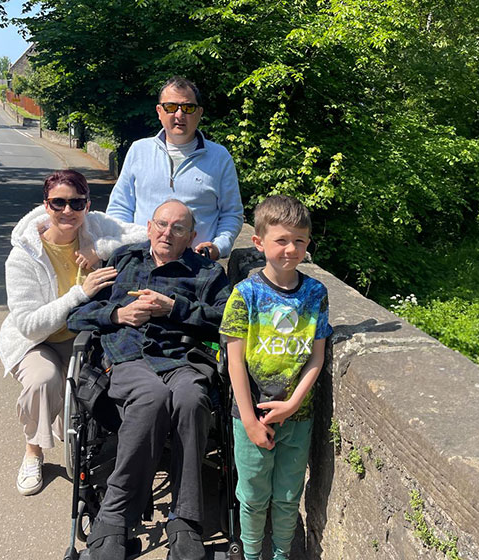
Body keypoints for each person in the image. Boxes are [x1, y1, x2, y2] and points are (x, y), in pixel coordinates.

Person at [67, 199, 231, 560]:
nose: (166, 233)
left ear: (192, 235)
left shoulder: (207, 273)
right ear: (149, 225)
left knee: (191, 400)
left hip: (182, 358)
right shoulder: (126, 260)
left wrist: (176, 308)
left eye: (177, 228)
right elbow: (78, 316)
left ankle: (186, 522)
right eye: (160, 224)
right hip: (129, 357)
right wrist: (119, 313)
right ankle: (113, 520)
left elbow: (229, 320)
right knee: (151, 396)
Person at [0, 169, 147, 496]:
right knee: (43, 380)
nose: (68, 211)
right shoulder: (23, 256)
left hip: (86, 336)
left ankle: (99, 442)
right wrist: (79, 293)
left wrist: (101, 247)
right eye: (59, 203)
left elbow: (146, 234)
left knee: (105, 381)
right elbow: (29, 324)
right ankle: (33, 453)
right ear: (46, 205)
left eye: (77, 203)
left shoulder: (93, 226)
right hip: (40, 341)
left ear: (88, 205)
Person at [219, 195, 332, 560]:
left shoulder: (316, 293)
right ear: (259, 242)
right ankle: (251, 555)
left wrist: (295, 402)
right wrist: (250, 419)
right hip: (251, 416)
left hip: (298, 415)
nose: (291, 249)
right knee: (252, 497)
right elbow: (235, 361)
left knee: (287, 497)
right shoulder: (245, 294)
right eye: (281, 240)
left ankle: (282, 555)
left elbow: (317, 354)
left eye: (299, 241)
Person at [106, 76, 243, 261]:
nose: (179, 115)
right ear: (159, 111)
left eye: (188, 108)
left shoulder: (220, 157)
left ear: (199, 112)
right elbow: (120, 206)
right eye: (171, 107)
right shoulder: (139, 150)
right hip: (140, 261)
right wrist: (124, 249)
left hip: (195, 267)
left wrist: (219, 246)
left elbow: (231, 213)